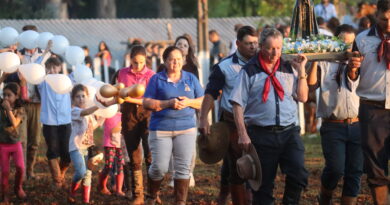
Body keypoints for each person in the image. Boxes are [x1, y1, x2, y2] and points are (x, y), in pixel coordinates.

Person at [229, 28, 309, 204]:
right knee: (263, 187)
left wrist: (301, 70)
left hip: (289, 132)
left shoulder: (289, 66)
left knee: (299, 174)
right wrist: (243, 134)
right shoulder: (249, 71)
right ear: (260, 47)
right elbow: (237, 104)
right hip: (261, 135)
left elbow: (302, 97)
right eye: (271, 48)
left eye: (279, 48)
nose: (275, 53)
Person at [199, 25, 258, 205]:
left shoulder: (264, 63)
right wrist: (203, 118)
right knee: (237, 165)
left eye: (255, 43)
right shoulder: (224, 67)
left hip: (258, 123)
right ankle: (236, 198)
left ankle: (248, 194)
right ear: (238, 43)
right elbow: (211, 93)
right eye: (248, 44)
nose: (253, 47)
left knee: (258, 164)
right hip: (232, 123)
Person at [308, 24, 363, 204]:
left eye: (350, 43)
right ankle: (325, 196)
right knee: (335, 168)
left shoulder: (359, 62)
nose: (346, 46)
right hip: (333, 125)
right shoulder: (324, 62)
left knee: (355, 170)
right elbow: (311, 86)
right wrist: (316, 57)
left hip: (357, 124)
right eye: (342, 42)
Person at [143, 46, 204, 204]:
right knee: (159, 167)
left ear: (183, 60)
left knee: (183, 167)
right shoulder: (157, 79)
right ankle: (152, 195)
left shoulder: (190, 78)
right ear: (165, 61)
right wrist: (168, 103)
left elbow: (203, 100)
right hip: (161, 129)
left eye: (179, 59)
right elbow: (147, 102)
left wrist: (189, 102)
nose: (175, 62)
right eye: (171, 59)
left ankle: (180, 202)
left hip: (186, 129)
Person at [348, 0, 390, 203]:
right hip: (373, 109)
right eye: (384, 19)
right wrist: (352, 68)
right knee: (375, 166)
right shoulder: (363, 39)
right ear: (377, 14)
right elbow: (352, 76)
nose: (388, 24)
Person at [116, 45, 155, 205]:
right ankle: (138, 194)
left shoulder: (151, 75)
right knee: (133, 154)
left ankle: (153, 193)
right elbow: (119, 93)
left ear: (145, 60)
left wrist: (130, 98)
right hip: (129, 114)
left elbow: (151, 98)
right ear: (130, 59)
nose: (138, 66)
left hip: (147, 113)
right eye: (134, 62)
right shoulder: (122, 73)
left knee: (150, 154)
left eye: (141, 62)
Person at [39, 57, 72, 188]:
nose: (52, 70)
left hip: (65, 121)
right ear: (46, 69)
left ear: (59, 68)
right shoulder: (43, 83)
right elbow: (35, 68)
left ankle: (61, 174)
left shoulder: (67, 81)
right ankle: (57, 180)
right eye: (50, 67)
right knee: (52, 151)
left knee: (66, 153)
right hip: (49, 121)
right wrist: (45, 53)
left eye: (55, 67)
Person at [68, 84, 102, 204]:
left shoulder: (89, 115)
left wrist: (105, 116)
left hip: (87, 148)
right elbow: (86, 111)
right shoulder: (75, 111)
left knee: (88, 174)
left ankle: (85, 200)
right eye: (77, 96)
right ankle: (72, 190)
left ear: (87, 97)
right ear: (73, 99)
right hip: (76, 147)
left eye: (83, 96)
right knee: (81, 172)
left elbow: (94, 125)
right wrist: (99, 105)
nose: (81, 99)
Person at [0, 83, 27, 202]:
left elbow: (14, 123)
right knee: (5, 171)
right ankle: (5, 192)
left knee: (20, 168)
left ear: (16, 96)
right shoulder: (1, 106)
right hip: (2, 145)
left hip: (16, 144)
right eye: (4, 95)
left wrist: (8, 110)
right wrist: (2, 78)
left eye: (9, 95)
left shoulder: (20, 109)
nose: (5, 98)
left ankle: (18, 188)